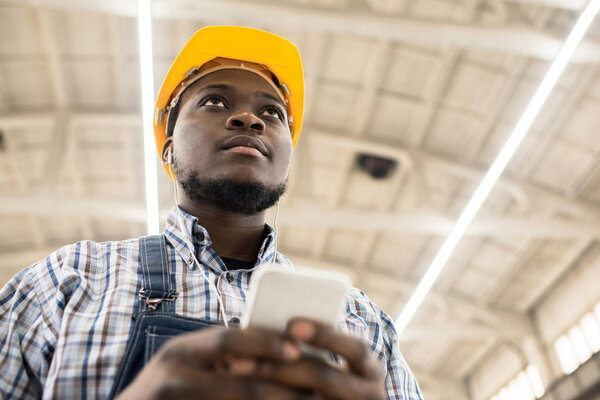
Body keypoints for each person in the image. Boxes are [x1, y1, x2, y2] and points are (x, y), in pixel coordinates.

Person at [0, 26, 423, 399]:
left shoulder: (362, 324)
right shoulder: (66, 282)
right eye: (215, 102)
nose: (248, 119)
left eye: (272, 112)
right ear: (168, 147)